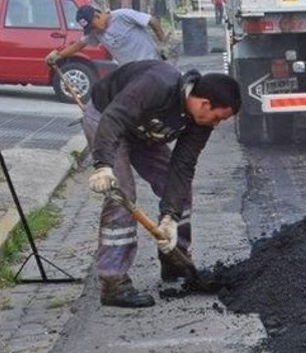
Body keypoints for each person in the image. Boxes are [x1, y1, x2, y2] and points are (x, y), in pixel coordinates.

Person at [83, 60, 241, 308]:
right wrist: (103, 165)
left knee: (180, 191)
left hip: (144, 132)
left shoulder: (200, 123)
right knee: (121, 196)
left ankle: (175, 261)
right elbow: (115, 117)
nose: (215, 124)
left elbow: (182, 166)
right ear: (204, 103)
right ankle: (113, 284)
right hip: (107, 118)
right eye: (218, 118)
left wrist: (170, 217)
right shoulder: (158, 84)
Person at [46, 5, 168, 68]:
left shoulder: (122, 15)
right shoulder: (96, 33)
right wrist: (58, 55)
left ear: (97, 15)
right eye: (91, 29)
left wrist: (163, 43)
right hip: (131, 72)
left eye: (93, 26)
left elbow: (153, 21)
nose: (94, 30)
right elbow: (78, 45)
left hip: (152, 64)